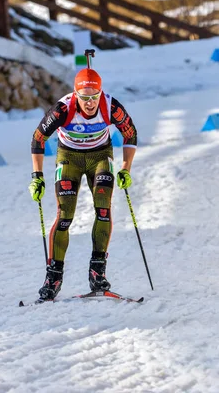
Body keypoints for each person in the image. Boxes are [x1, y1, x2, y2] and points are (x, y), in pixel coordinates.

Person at [29, 66, 137, 301]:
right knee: (65, 215)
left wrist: (125, 168)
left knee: (103, 209)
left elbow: (130, 133)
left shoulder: (110, 106)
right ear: (76, 95)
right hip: (69, 157)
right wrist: (37, 176)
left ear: (101, 94)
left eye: (94, 98)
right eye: (84, 98)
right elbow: (38, 138)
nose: (89, 103)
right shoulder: (63, 108)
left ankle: (97, 273)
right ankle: (53, 278)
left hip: (100, 156)